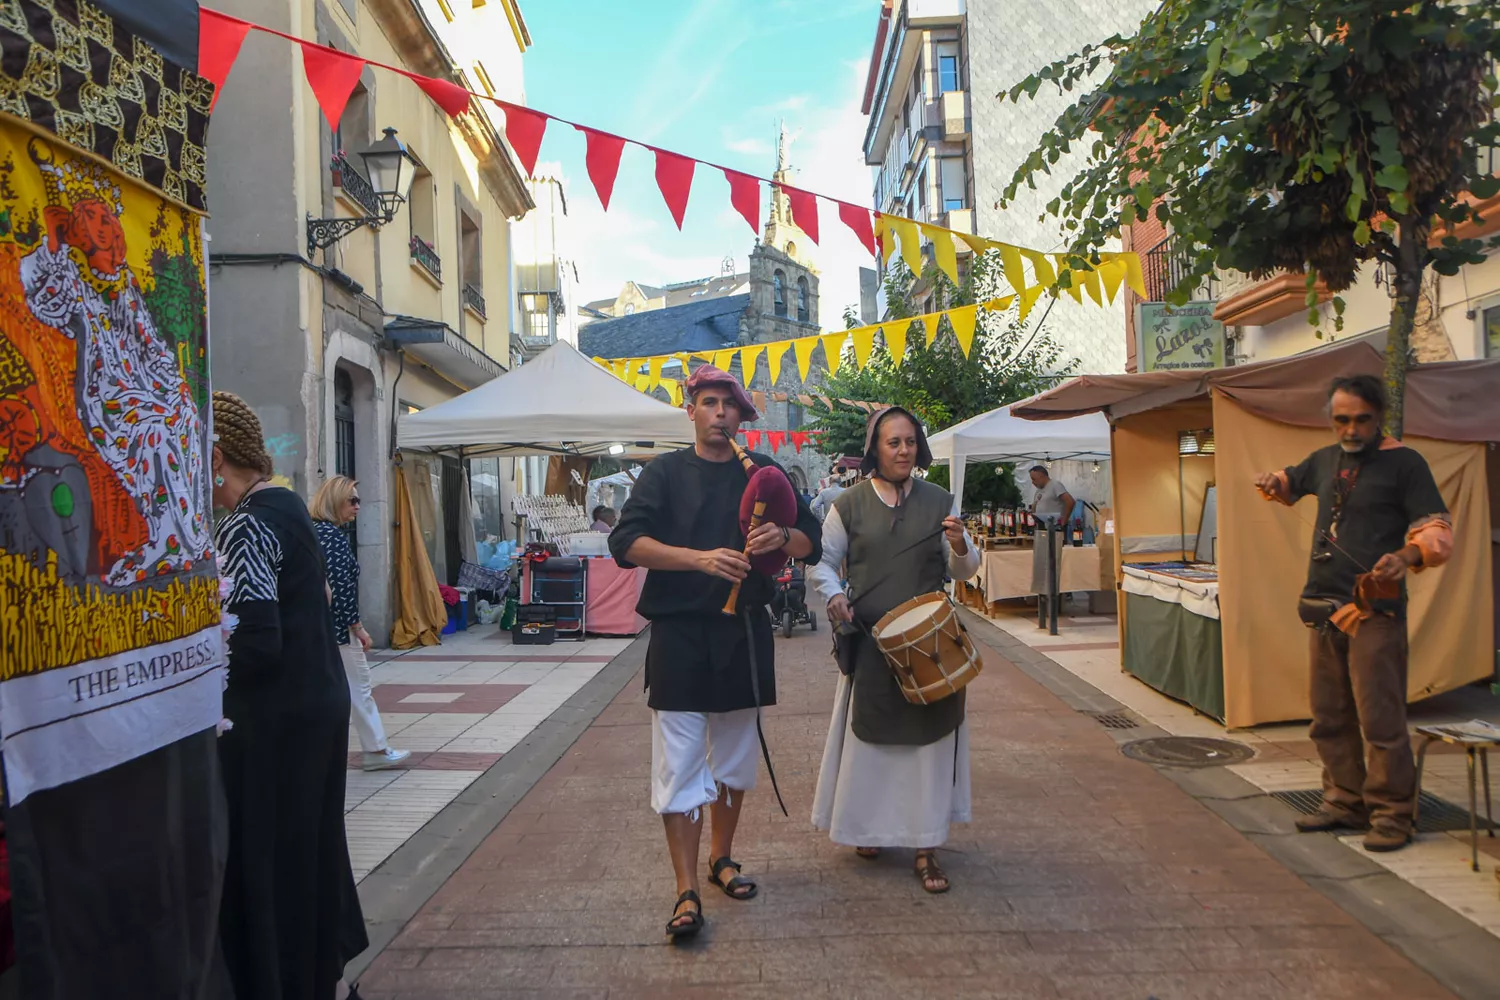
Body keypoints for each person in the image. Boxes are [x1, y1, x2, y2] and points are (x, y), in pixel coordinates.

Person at [609, 364, 821, 942]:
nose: (719, 414)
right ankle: (685, 889)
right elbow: (625, 543)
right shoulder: (664, 473)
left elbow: (812, 540)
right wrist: (699, 558)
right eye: (708, 402)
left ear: (741, 414)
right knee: (678, 764)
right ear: (692, 410)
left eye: (728, 405)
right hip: (679, 634)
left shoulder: (767, 472)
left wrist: (783, 539)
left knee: (732, 761)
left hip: (744, 632)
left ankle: (721, 858)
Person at [211, 391, 368, 998]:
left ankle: (286, 980)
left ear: (217, 456)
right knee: (311, 848)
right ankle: (319, 975)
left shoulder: (248, 521)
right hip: (316, 702)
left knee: (273, 857)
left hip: (274, 719)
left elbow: (253, 641)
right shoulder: (288, 507)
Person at [1254, 374, 1452, 852]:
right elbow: (1288, 483)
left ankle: (1392, 815)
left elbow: (1438, 529)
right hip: (1323, 607)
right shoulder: (1326, 460)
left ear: (1378, 416)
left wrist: (1406, 558)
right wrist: (1272, 481)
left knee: (1380, 719)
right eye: (1341, 420)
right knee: (1329, 716)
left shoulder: (1405, 464)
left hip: (1373, 611)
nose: (1350, 429)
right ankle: (1345, 801)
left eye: (1361, 419)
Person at [808, 407, 980, 893]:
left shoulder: (940, 501)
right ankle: (869, 830)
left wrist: (961, 544)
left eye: (909, 442)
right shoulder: (849, 505)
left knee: (929, 748)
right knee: (872, 745)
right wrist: (834, 593)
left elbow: (964, 571)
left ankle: (927, 849)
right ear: (875, 451)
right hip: (871, 646)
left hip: (932, 646)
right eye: (893, 443)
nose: (903, 450)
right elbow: (822, 562)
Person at [310, 475, 411, 772]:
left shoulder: (315, 533)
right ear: (334, 502)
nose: (357, 507)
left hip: (319, 627)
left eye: (359, 501)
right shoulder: (331, 537)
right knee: (359, 686)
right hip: (338, 628)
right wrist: (357, 627)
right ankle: (376, 750)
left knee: (332, 689)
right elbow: (340, 587)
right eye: (352, 500)